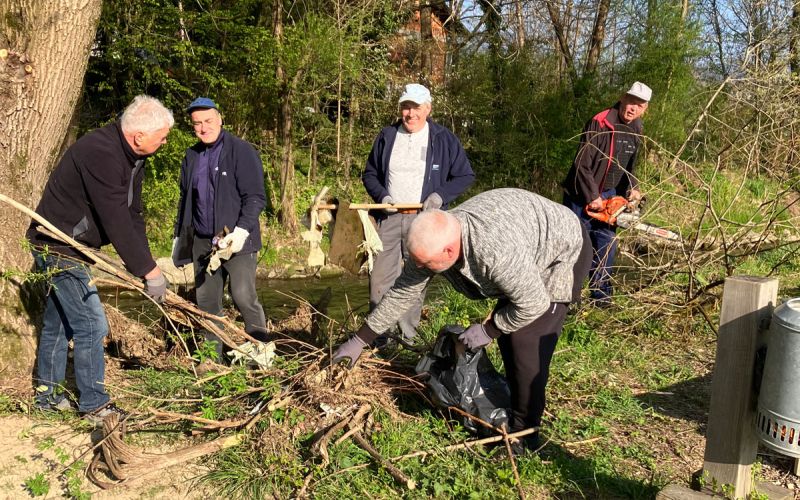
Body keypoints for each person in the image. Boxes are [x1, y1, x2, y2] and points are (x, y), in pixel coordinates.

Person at [333, 188, 592, 453]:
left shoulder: (494, 251)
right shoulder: (430, 240)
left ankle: (525, 434)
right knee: (511, 336)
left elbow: (533, 303)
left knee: (525, 340)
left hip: (562, 251)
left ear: (449, 251)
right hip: (524, 246)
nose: (420, 269)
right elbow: (402, 292)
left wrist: (490, 329)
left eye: (426, 265)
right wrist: (359, 339)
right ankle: (516, 404)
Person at [28, 95, 174, 423]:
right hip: (56, 245)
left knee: (58, 322)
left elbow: (133, 215)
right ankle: (95, 405)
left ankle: (46, 398)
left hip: (76, 248)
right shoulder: (101, 152)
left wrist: (146, 265)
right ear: (139, 136)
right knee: (93, 323)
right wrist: (148, 271)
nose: (165, 141)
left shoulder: (134, 157)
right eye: (162, 136)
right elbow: (115, 218)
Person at [361, 83, 474, 341]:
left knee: (413, 283)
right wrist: (383, 196)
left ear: (428, 108)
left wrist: (439, 196)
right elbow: (369, 174)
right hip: (388, 218)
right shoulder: (387, 136)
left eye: (415, 108)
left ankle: (407, 339)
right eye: (405, 107)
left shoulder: (443, 139)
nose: (410, 114)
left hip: (424, 222)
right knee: (379, 282)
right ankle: (379, 340)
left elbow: (465, 175)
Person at [172, 97, 267, 358]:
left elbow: (256, 196)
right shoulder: (191, 155)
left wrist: (241, 231)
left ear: (220, 118)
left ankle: (260, 353)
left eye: (208, 121)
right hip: (203, 241)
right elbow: (186, 199)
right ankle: (211, 359)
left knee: (243, 296)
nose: (203, 128)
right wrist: (179, 237)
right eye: (197, 124)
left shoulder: (241, 151)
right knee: (206, 302)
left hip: (235, 239)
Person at [562, 81, 651, 306]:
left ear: (644, 109)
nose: (632, 108)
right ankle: (568, 299)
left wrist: (633, 188)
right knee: (576, 248)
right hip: (581, 194)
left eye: (638, 105)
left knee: (607, 245)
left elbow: (629, 166)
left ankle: (601, 299)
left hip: (611, 194)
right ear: (622, 98)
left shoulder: (636, 128)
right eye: (630, 102)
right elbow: (582, 164)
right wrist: (592, 196)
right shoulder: (600, 122)